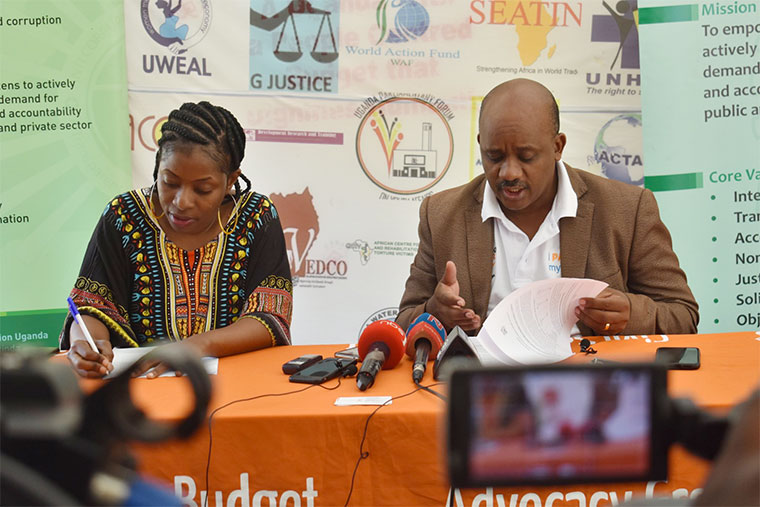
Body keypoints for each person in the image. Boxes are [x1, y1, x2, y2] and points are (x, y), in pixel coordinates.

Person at [396, 78, 698, 336]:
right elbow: (404, 321)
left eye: (526, 157)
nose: (509, 173)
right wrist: (434, 312)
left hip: (591, 379)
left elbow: (683, 315)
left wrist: (631, 314)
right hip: (484, 381)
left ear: (557, 146)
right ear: (480, 145)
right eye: (494, 156)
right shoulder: (441, 215)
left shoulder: (627, 209)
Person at [60, 101, 293, 378]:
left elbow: (270, 316)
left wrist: (197, 346)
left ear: (231, 180)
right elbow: (93, 304)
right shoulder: (123, 215)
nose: (182, 202)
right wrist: (86, 343)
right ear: (157, 167)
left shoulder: (256, 216)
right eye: (170, 182)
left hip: (237, 386)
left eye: (203, 189)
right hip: (140, 388)